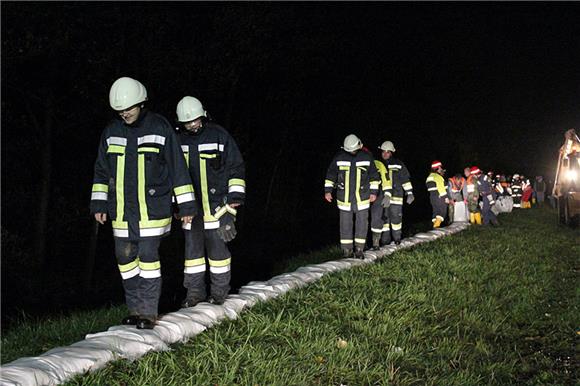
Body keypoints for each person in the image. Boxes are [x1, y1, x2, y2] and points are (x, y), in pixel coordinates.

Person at [90, 77, 197, 329]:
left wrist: (187, 206)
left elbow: (177, 169)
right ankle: (135, 309)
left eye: (129, 107)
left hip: (152, 211)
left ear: (141, 102)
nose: (125, 113)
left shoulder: (160, 128)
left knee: (148, 259)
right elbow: (101, 172)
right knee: (125, 259)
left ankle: (148, 313)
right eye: (120, 110)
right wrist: (98, 204)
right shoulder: (111, 132)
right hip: (122, 212)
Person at [176, 96, 246, 307]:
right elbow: (172, 175)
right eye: (187, 122)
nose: (192, 125)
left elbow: (236, 168)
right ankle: (194, 296)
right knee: (193, 258)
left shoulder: (219, 136)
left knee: (219, 258)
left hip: (218, 210)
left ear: (203, 115)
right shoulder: (178, 141)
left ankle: (220, 295)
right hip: (191, 212)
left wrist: (233, 202)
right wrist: (176, 206)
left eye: (195, 120)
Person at [325, 134, 379, 258]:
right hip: (344, 198)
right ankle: (346, 251)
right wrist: (328, 191)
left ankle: (359, 249)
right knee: (345, 224)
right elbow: (331, 174)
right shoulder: (339, 157)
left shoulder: (367, 157)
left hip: (363, 197)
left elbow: (374, 176)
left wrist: (373, 193)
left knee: (362, 223)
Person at [370, 140, 414, 248]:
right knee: (384, 220)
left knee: (396, 219)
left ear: (392, 152)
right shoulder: (377, 164)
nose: (385, 154)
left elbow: (405, 179)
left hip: (396, 197)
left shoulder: (399, 164)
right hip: (382, 197)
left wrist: (410, 193)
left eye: (387, 152)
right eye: (383, 151)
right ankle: (385, 242)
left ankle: (397, 239)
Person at [425, 161, 448, 228]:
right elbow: (440, 187)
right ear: (438, 168)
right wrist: (445, 197)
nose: (441, 169)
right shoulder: (438, 177)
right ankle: (436, 227)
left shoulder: (429, 177)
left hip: (432, 197)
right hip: (439, 197)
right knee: (442, 212)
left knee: (436, 212)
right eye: (440, 168)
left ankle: (434, 229)